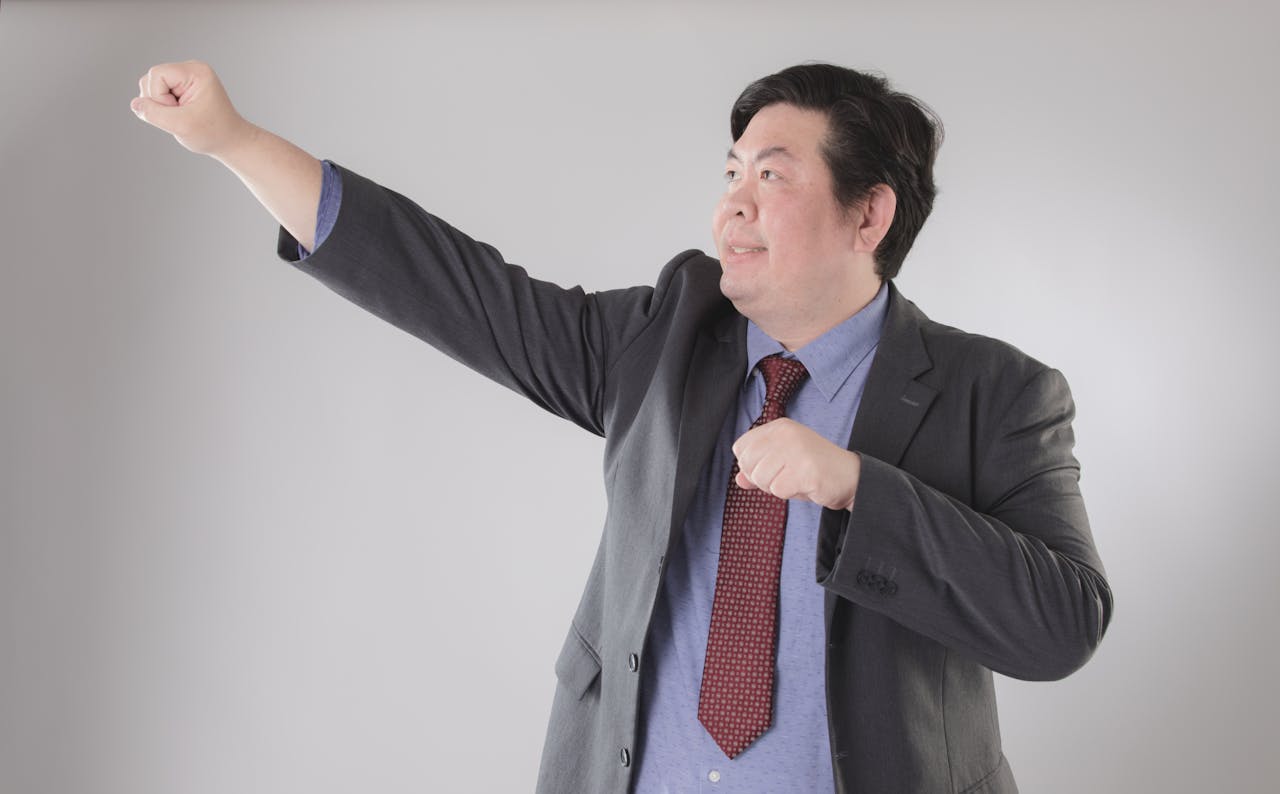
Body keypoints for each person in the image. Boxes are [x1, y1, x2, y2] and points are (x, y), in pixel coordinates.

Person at [131, 60, 1112, 793]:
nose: (732, 196)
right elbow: (457, 290)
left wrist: (860, 486)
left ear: (868, 216)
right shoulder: (661, 339)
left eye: (771, 175)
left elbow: (1061, 621)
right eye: (729, 169)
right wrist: (234, 141)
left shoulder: (998, 393)